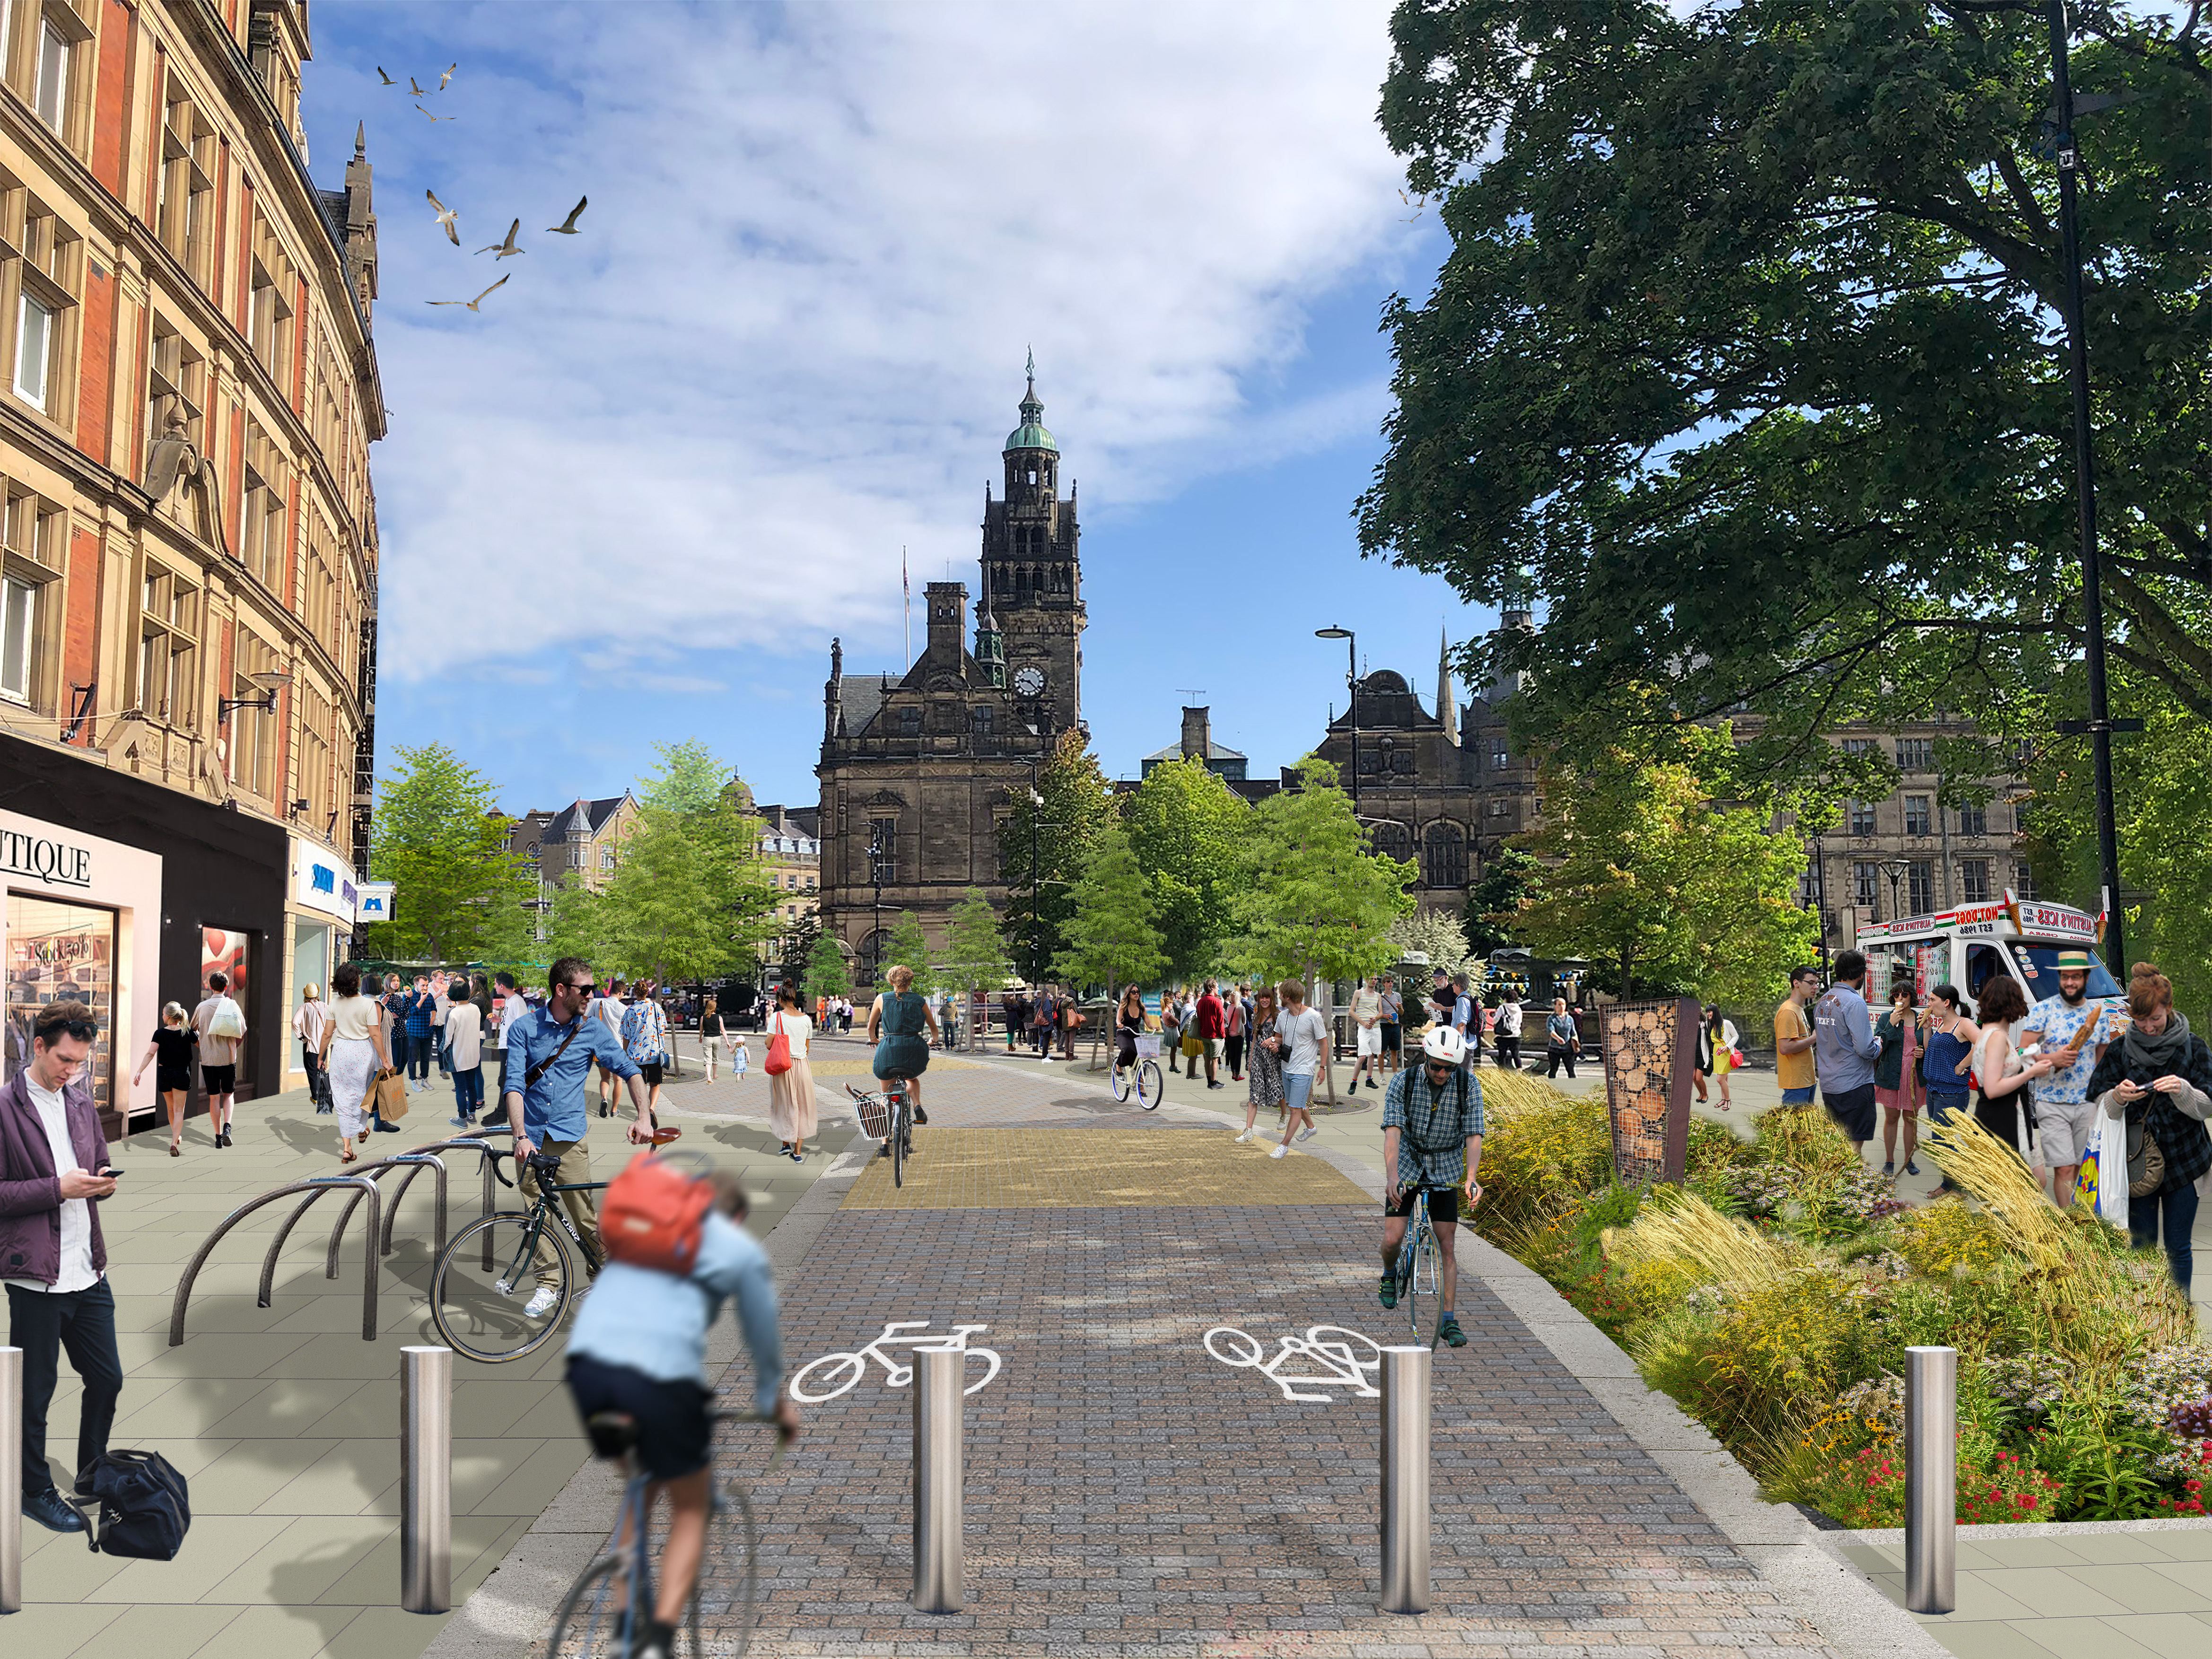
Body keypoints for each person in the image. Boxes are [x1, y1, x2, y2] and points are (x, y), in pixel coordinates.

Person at [563, 1168, 801, 1659]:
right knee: (690, 1507)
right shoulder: (737, 1250)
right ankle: (659, 1640)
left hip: (589, 1371)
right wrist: (772, 1402)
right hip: (659, 1380)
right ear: (735, 1217)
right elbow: (763, 1337)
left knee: (640, 1489)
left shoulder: (646, 1234)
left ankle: (622, 1633)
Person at [2, 1000, 124, 1536]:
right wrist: (58, 1189)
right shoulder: (5, 1108)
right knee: (36, 1392)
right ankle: (33, 1489)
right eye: (64, 1060)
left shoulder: (79, 1103)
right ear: (38, 1046)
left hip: (87, 1267)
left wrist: (103, 1182)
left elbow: (96, 1161)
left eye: (79, 1061)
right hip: (37, 1276)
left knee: (107, 1377)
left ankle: (93, 1475)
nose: (72, 1070)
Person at [502, 960, 656, 1316]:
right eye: (586, 990)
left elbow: (630, 1071)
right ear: (562, 990)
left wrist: (645, 1117)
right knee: (535, 1215)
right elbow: (512, 1085)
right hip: (531, 1137)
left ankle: (602, 1275)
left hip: (570, 1136)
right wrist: (520, 1135)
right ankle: (548, 1284)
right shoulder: (523, 1029)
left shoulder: (592, 1029)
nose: (593, 995)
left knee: (583, 1216)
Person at [2090, 963, 2212, 1293]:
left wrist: (2183, 1091)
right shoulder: (2119, 1051)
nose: (2147, 1027)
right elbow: (2099, 1103)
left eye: (2154, 1019)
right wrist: (2117, 1097)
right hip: (2135, 1162)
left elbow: (2208, 1105)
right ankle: (2144, 1318)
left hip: (2184, 1160)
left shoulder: (2193, 1046)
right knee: (2142, 1248)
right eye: (2139, 1021)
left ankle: (2180, 1318)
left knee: (2178, 1247)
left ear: (2169, 1008)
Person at [1377, 1024, 1484, 1349]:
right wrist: (1392, 1175)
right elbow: (1393, 1132)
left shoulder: (1467, 1085)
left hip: (1445, 1166)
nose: (1441, 1073)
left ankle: (1448, 1321)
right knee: (1392, 1238)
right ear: (1425, 1057)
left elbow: (1474, 1133)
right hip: (1408, 1163)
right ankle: (1389, 1272)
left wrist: (1470, 1176)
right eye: (1436, 1066)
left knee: (1447, 1245)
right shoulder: (1403, 1081)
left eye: (1449, 1068)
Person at [2019, 948, 2117, 1211]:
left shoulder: (2099, 1016)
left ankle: (2084, 1219)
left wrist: (2104, 1100)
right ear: (2059, 978)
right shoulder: (2043, 1011)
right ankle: (2068, 1223)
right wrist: (2052, 1059)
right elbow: (2023, 1052)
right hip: (2051, 1103)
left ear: (2085, 978)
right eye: (2065, 977)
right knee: (2063, 1168)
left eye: (2076, 977)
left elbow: (2101, 1063)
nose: (2070, 982)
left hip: (2087, 1105)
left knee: (2082, 1167)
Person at [1969, 973, 2056, 1170]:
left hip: (2002, 1111)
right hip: (2003, 1114)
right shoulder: (1998, 1037)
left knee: (2032, 1180)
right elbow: (1993, 1088)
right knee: (2025, 1182)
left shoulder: (1987, 1030)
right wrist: (2031, 1071)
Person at [319, 963, 393, 1162]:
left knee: (343, 1100)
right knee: (362, 1094)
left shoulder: (334, 1003)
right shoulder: (368, 1005)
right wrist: (385, 1061)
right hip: (363, 1053)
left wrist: (320, 1057)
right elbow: (375, 1035)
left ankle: (347, 1148)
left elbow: (327, 1034)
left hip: (341, 1051)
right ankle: (361, 1129)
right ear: (356, 982)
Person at [1814, 950, 1884, 1160]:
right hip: (1854, 1083)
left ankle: (1837, 1183)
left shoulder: (1823, 1001)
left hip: (1829, 1083)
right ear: (1861, 973)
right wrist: (1879, 1046)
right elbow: (1864, 1049)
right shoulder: (1854, 1003)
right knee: (1854, 1142)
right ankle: (1848, 1184)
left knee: (1838, 1140)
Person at [868, 965, 936, 1156]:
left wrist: (874, 1039)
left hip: (889, 1049)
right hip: (914, 1050)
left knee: (886, 1096)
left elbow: (871, 1027)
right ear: (910, 982)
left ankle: (884, 1144)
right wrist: (934, 1041)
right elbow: (934, 1029)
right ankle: (917, 1106)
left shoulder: (882, 998)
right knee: (912, 1078)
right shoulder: (919, 1001)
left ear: (891, 982)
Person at [1920, 982, 1979, 1191]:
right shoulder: (1940, 1024)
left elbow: (1984, 1042)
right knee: (1941, 1139)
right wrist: (1927, 1030)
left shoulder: (1963, 1024)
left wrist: (1963, 1065)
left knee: (1942, 1140)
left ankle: (1952, 1185)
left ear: (1946, 1003)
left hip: (1952, 1093)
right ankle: (1957, 1181)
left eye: (1932, 1000)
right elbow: (1931, 1051)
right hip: (1934, 1090)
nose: (1928, 1004)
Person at [1268, 980, 1329, 1160]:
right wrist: (1274, 1045)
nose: (1278, 997)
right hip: (1286, 1068)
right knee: (1297, 1104)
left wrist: (1322, 1068)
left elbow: (1324, 1043)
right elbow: (1278, 1039)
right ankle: (1311, 1128)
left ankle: (1284, 1145)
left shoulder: (1313, 1017)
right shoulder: (1282, 1016)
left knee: (1294, 1109)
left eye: (1280, 994)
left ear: (1288, 997)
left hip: (1303, 1071)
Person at [131, 1002, 197, 1156]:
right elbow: (203, 1045)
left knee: (170, 1108)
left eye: (163, 1014)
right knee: (179, 1110)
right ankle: (174, 1142)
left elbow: (150, 1054)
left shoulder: (160, 1033)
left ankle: (176, 1135)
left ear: (168, 1017)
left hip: (164, 1073)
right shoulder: (187, 1032)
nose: (162, 1016)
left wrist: (139, 1072)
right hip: (182, 1073)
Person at [1873, 983, 1924, 1178]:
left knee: (1910, 1120)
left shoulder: (1921, 1018)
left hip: (1913, 1076)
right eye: (1896, 995)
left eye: (1905, 994)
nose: (1901, 998)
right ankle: (1889, 1160)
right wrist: (1892, 1024)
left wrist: (1923, 1052)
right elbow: (1878, 1046)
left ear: (1912, 996)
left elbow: (1928, 1043)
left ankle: (1908, 1160)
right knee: (1892, 1118)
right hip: (1892, 1075)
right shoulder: (1887, 1017)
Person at [192, 969, 246, 1148]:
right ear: (226, 987)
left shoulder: (202, 1007)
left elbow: (191, 1030)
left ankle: (217, 1137)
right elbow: (243, 1029)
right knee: (229, 1094)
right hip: (229, 1058)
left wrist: (203, 1045)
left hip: (209, 1060)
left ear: (210, 986)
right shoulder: (233, 1005)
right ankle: (227, 1129)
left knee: (214, 1098)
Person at [763, 985, 814, 1159]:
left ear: (780, 1000)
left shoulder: (777, 1017)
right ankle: (796, 1151)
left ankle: (785, 1143)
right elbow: (807, 1048)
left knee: (784, 1105)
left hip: (783, 1066)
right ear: (794, 998)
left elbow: (769, 1045)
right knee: (802, 1107)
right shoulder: (807, 1019)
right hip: (802, 1067)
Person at [1234, 987, 1285, 1144]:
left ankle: (1284, 1115)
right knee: (1254, 1095)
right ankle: (1248, 1131)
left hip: (1273, 1059)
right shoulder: (1256, 1016)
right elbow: (1254, 1039)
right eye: (1261, 998)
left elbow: (1284, 1038)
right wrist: (1250, 1059)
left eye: (1267, 998)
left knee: (1278, 1089)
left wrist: (1272, 1041)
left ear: (1271, 999)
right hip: (1258, 1059)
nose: (1264, 1000)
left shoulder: (1279, 1017)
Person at [621, 990, 672, 1119]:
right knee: (655, 1083)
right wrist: (662, 1046)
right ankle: (651, 1109)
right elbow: (663, 1029)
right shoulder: (657, 1008)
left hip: (636, 1055)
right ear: (647, 993)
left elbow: (626, 1036)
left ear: (635, 994)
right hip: (654, 1052)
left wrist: (625, 1053)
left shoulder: (630, 1011)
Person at [1775, 966, 1820, 1105]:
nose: (1816, 987)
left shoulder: (1798, 1009)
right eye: (1811, 983)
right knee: (1795, 1126)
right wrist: (1813, 1039)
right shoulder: (1788, 1011)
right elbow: (1785, 1047)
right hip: (1797, 1084)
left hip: (1807, 1081)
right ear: (1797, 983)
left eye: (1816, 983)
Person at [445, 987, 486, 1128]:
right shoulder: (475, 1008)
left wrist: (442, 1049)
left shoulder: (453, 1012)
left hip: (459, 1056)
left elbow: (447, 1038)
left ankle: (462, 1119)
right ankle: (471, 1115)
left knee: (460, 1088)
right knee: (471, 1086)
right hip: (473, 1054)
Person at [590, 977, 629, 1118]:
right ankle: (614, 1110)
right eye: (624, 993)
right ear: (620, 992)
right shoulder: (624, 1009)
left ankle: (604, 1099)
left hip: (600, 1048)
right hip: (617, 1049)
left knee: (605, 1078)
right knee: (618, 1080)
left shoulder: (597, 1004)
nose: (624, 996)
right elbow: (627, 1032)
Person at [292, 983, 332, 1115]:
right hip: (323, 1047)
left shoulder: (304, 1007)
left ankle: (316, 1098)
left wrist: (302, 1037)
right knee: (320, 1070)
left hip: (311, 1046)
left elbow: (294, 1023)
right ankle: (325, 1099)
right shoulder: (325, 1006)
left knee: (312, 1072)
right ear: (317, 994)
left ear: (306, 995)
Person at [1693, 1004, 1739, 1112]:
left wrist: (1727, 1047)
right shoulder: (1712, 1025)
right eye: (1707, 1012)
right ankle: (1723, 1099)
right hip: (1717, 1054)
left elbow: (1736, 1036)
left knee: (1720, 1080)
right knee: (1725, 1079)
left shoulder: (1726, 1023)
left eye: (1710, 1012)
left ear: (1715, 1012)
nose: (1708, 1014)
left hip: (1726, 1053)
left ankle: (1728, 1101)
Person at [1348, 975, 1385, 1092]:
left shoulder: (1378, 996)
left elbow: (1381, 1013)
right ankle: (1354, 1082)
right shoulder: (1358, 993)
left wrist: (1376, 1018)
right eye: (1372, 979)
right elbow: (1351, 1012)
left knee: (1373, 1054)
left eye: (1376, 979)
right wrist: (1363, 1023)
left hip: (1376, 1028)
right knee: (1362, 1056)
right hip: (1364, 1029)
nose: (1374, 981)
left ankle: (1369, 1080)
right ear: (1366, 980)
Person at [402, 975, 436, 1086]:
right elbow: (411, 1012)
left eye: (426, 985)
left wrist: (433, 1017)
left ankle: (425, 1080)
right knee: (412, 1059)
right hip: (414, 1033)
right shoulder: (408, 996)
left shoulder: (429, 996)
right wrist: (422, 999)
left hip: (427, 1032)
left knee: (426, 1059)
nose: (425, 988)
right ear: (415, 985)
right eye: (423, 985)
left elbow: (434, 1008)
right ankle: (413, 1081)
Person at [1195, 979, 1226, 1089]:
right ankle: (1213, 1083)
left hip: (1204, 1035)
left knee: (1207, 1059)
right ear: (1212, 988)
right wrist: (1223, 1035)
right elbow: (1220, 1021)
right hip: (1215, 1035)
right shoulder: (1217, 1002)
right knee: (1215, 1060)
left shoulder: (1200, 1002)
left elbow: (1199, 1017)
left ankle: (1209, 1082)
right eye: (1217, 986)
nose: (1219, 988)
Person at [1113, 985, 1146, 1078]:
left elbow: (1148, 1021)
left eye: (1138, 992)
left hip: (1136, 1034)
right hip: (1123, 1033)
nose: (1136, 994)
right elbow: (1118, 1020)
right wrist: (1119, 1024)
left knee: (1140, 1060)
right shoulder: (1123, 1006)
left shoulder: (1141, 1007)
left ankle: (1142, 1089)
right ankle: (1118, 1065)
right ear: (1128, 994)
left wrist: (1153, 1027)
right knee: (1127, 1049)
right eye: (1134, 992)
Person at [1543, 997, 1580, 1079]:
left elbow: (1573, 1032)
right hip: (1555, 1049)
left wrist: (1576, 1042)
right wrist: (1558, 1038)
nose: (1561, 1007)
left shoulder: (1570, 1019)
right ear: (1555, 1006)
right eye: (1559, 1005)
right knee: (1554, 1069)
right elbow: (1551, 1031)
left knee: (1571, 1070)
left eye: (1563, 1004)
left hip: (1568, 1049)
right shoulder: (1552, 1019)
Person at [430, 973, 454, 1079]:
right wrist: (439, 994)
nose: (442, 981)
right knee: (425, 1047)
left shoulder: (446, 988)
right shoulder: (427, 988)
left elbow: (452, 1003)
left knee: (442, 1046)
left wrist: (446, 990)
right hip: (429, 1022)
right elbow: (424, 1002)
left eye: (443, 979)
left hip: (443, 1022)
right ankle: (423, 1072)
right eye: (440, 979)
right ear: (433, 978)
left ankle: (442, 1070)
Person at [1492, 993, 1523, 1071]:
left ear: (1505, 999)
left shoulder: (1502, 1008)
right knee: (1516, 1055)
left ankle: (1502, 1074)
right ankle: (1520, 1073)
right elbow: (1520, 1021)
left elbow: (1496, 1020)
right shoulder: (1518, 1008)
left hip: (1504, 1036)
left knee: (1502, 1056)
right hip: (1516, 1035)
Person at [1378, 975, 1403, 1074]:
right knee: (1382, 1052)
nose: (1391, 983)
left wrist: (1400, 1008)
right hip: (1384, 1026)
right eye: (1388, 981)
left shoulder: (1398, 996)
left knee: (1395, 1052)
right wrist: (1384, 1016)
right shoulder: (1379, 997)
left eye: (1392, 981)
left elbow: (1401, 1013)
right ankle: (1381, 1075)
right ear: (1384, 983)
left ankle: (1395, 1074)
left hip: (1395, 1025)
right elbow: (1377, 1014)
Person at [1223, 983, 1246, 1083]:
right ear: (1239, 998)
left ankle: (1233, 1074)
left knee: (1232, 1054)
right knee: (1238, 1056)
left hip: (1230, 1034)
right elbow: (1244, 1022)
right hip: (1239, 1035)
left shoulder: (1229, 1008)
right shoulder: (1241, 1008)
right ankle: (1237, 1075)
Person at [699, 997, 724, 1083]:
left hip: (707, 1038)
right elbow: (723, 1030)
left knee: (707, 1058)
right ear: (714, 1007)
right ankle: (714, 1075)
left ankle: (709, 1077)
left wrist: (700, 1038)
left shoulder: (703, 1018)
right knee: (715, 1057)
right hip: (717, 1038)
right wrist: (727, 1042)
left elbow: (701, 1030)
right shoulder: (719, 1018)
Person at [1161, 989, 1184, 1074]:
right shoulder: (1168, 1014)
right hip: (1172, 1031)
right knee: (1173, 1050)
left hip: (1171, 1030)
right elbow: (1178, 1022)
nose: (1172, 1005)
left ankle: (1173, 1066)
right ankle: (1173, 1066)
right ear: (1167, 1004)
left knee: (1173, 1050)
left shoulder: (1164, 1012)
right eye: (1171, 1004)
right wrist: (1175, 1022)